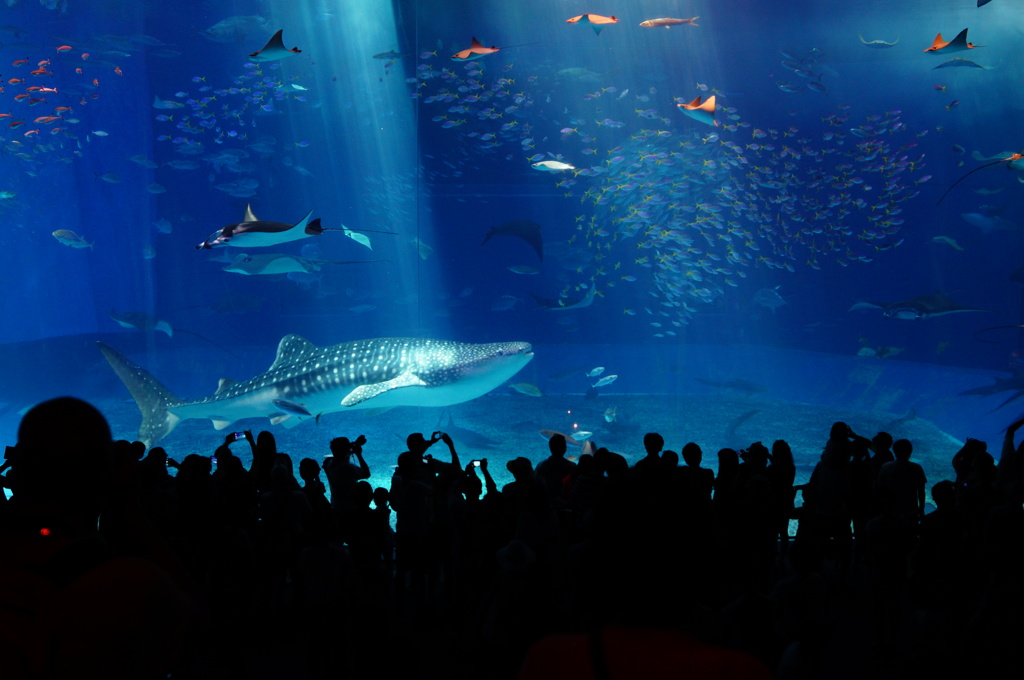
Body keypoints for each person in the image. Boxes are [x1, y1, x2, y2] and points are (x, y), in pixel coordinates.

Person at [0, 397, 197, 679]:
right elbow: (201, 629)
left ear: (17, 473)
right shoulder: (128, 583)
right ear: (107, 476)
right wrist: (131, 508)